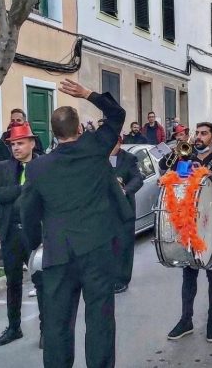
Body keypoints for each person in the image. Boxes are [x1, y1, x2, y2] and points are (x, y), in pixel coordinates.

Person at [20, 79, 128, 368]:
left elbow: (27, 212)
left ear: (53, 133)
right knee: (100, 319)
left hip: (58, 252)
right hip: (96, 249)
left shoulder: (37, 167)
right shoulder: (94, 148)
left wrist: (34, 246)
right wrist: (87, 93)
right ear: (78, 129)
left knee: (57, 326)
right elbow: (117, 115)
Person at [166, 122, 212, 343]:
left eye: (204, 134)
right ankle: (186, 320)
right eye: (197, 133)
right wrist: (177, 152)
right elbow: (164, 169)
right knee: (189, 274)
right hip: (189, 226)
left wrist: (209, 173)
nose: (198, 137)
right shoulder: (186, 158)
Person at [0, 122, 43, 348]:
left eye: (20, 143)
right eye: (13, 144)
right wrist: (19, 190)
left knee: (42, 282)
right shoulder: (4, 167)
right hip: (10, 232)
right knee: (13, 282)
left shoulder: (43, 166)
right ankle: (14, 327)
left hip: (35, 234)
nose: (16, 148)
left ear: (31, 143)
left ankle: (45, 329)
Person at [110, 137, 144, 294]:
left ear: (119, 143)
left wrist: (125, 190)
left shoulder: (129, 158)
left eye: (113, 144)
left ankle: (122, 279)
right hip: (105, 210)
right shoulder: (99, 158)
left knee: (124, 245)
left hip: (124, 209)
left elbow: (138, 179)